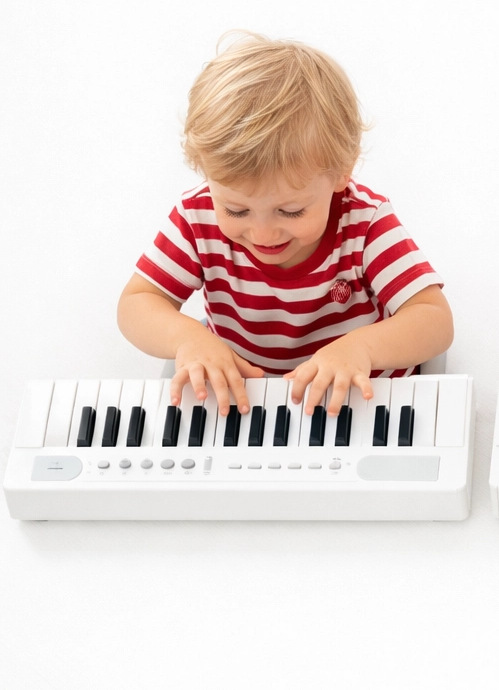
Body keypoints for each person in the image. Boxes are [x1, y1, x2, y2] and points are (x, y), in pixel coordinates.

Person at [119, 33, 452, 420]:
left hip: (360, 406)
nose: (262, 234)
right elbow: (136, 302)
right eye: (237, 210)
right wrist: (187, 338)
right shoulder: (197, 216)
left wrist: (360, 349)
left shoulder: (365, 222)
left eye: (291, 211)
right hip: (246, 409)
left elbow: (434, 319)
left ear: (341, 171)